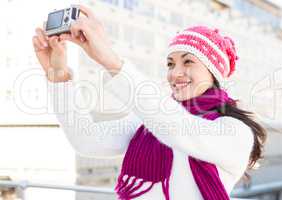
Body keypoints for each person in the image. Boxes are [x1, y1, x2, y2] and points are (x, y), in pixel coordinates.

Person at [32, 5, 266, 200]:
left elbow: (175, 128)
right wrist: (58, 75)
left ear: (213, 72)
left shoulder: (235, 131)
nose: (176, 73)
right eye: (170, 64)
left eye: (188, 62)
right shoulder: (149, 123)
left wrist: (110, 60)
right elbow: (87, 139)